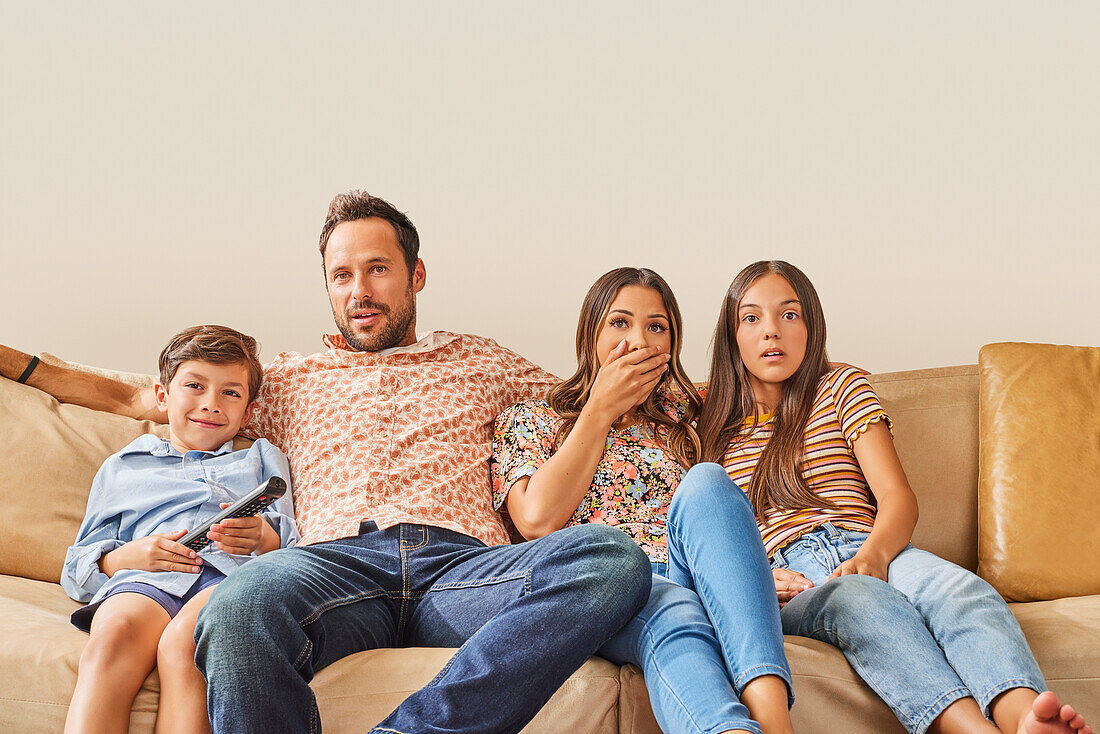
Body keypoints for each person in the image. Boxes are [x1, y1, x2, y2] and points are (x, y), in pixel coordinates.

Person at [0, 190, 651, 734]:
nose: (359, 291)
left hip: (461, 569)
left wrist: (725, 394)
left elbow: (587, 392)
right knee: (235, 608)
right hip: (333, 569)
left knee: (610, 560)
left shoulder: (481, 360)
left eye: (377, 269)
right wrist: (15, 363)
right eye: (342, 276)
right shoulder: (281, 379)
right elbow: (131, 395)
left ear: (416, 275)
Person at [695, 260, 1093, 734]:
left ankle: (1027, 716)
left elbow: (897, 496)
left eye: (789, 315)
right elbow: (701, 539)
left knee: (962, 590)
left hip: (869, 544)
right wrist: (755, 577)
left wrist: (875, 556)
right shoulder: (708, 429)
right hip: (787, 577)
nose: (771, 333)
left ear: (812, 326)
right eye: (752, 318)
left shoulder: (840, 386)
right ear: (731, 335)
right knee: (859, 601)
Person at [492, 267, 794, 734]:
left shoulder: (693, 416)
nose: (639, 341)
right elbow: (536, 521)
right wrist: (600, 408)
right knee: (671, 608)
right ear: (589, 332)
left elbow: (730, 508)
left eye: (657, 327)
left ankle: (777, 724)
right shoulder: (532, 417)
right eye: (620, 323)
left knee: (708, 481)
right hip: (604, 584)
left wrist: (750, 567)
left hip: (688, 569)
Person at [61, 325, 299, 734]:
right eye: (195, 386)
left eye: (230, 393)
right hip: (146, 580)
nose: (210, 405)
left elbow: (296, 544)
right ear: (162, 396)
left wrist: (264, 537)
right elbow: (77, 567)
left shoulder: (262, 458)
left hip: (229, 580)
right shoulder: (124, 466)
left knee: (188, 645)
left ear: (248, 411)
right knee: (113, 635)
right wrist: (124, 557)